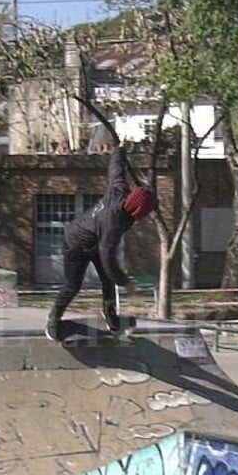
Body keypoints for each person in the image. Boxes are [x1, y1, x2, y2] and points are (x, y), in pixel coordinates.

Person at [45, 140, 158, 340]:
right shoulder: (113, 224)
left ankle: (110, 315)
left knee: (107, 279)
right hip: (75, 243)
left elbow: (116, 170)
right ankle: (53, 319)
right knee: (73, 285)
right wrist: (125, 282)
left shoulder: (120, 191)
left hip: (94, 238)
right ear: (139, 212)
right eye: (146, 214)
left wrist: (120, 150)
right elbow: (108, 259)